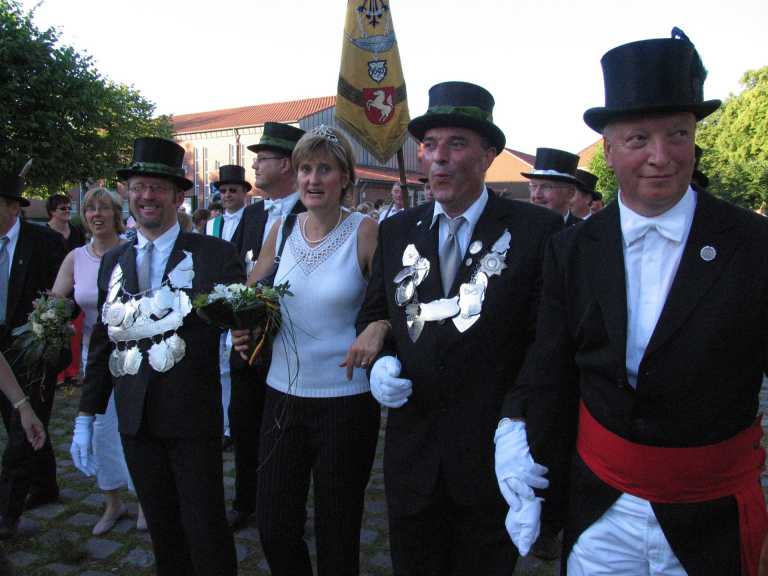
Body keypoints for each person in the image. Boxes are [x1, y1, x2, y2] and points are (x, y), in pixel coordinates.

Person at [497, 29, 768, 575]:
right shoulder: (572, 249)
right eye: (639, 139)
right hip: (602, 508)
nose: (660, 157)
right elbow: (551, 365)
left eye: (678, 135)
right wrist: (517, 430)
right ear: (609, 149)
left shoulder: (752, 244)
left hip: (711, 514)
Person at [356, 81, 563, 575]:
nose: (439, 158)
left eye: (457, 144)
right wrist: (381, 361)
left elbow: (546, 342)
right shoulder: (397, 230)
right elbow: (375, 312)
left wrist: (517, 421)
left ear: (489, 154)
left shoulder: (536, 232)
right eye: (430, 145)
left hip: (489, 454)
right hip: (413, 455)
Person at [71, 137, 242, 575]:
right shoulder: (114, 259)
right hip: (135, 419)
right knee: (162, 529)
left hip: (191, 420)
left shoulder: (215, 255)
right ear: (128, 193)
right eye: (138, 187)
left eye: (158, 188)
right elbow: (104, 342)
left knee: (205, 528)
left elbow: (240, 329)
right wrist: (86, 416)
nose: (147, 196)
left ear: (178, 196)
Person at [232, 124, 387, 575]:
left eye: (325, 169)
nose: (313, 179)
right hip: (282, 397)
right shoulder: (281, 229)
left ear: (345, 177)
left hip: (346, 401)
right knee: (275, 526)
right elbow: (250, 294)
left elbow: (390, 303)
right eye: (305, 169)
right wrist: (243, 325)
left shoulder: (365, 231)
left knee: (338, 530)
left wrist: (378, 327)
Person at [224, 122, 306, 532]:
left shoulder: (312, 209)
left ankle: (288, 507)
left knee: (288, 431)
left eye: (263, 158)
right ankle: (246, 500)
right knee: (244, 422)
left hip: (292, 342)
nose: (255, 165)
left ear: (287, 164)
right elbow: (237, 267)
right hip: (247, 342)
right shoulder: (253, 212)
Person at [52, 187, 144, 535]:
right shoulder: (76, 257)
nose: (96, 214)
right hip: (96, 355)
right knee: (101, 431)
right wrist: (52, 319)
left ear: (117, 214)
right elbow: (55, 300)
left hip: (135, 354)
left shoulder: (133, 251)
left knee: (138, 426)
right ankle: (112, 501)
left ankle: (146, 501)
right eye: (90, 208)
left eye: (103, 208)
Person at [0, 171, 67, 540]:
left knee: (19, 431)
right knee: (16, 417)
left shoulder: (44, 242)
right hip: (0, 354)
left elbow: (66, 296)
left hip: (34, 349)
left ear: (14, 207)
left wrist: (50, 324)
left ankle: (6, 515)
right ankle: (45, 485)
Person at [206, 164, 253, 450]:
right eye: (223, 191)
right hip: (218, 295)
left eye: (233, 190)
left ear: (244, 193)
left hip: (243, 292)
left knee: (235, 361)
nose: (227, 196)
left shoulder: (253, 219)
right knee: (219, 366)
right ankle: (223, 424)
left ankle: (236, 423)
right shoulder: (212, 225)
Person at [524, 148, 582, 226]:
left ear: (570, 193)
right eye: (534, 186)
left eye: (546, 187)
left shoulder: (584, 231)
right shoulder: (518, 227)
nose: (537, 195)